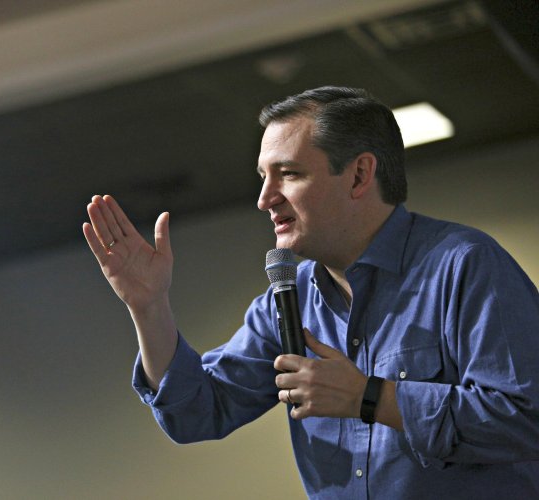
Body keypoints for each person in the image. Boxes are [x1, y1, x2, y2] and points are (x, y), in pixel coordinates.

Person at [82, 86, 539, 499]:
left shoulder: (463, 264)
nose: (265, 198)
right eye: (263, 176)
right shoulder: (288, 301)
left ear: (360, 175)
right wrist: (149, 305)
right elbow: (196, 412)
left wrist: (374, 397)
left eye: (288, 174)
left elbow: (526, 418)